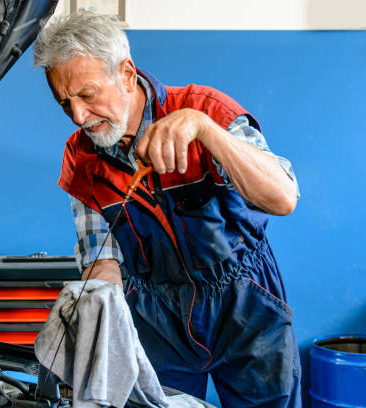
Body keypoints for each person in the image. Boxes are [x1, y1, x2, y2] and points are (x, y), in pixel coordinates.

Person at [32, 11, 302, 408]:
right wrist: (96, 302)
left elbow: (282, 198)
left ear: (126, 73)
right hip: (155, 315)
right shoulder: (81, 157)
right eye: (64, 102)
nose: (77, 116)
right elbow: (100, 255)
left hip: (246, 306)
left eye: (87, 95)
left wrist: (207, 131)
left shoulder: (205, 109)